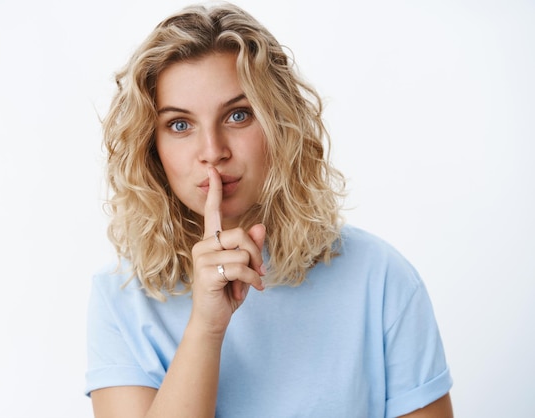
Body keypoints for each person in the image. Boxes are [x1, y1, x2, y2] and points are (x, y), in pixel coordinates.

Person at [85, 3, 453, 417]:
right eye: (180, 125)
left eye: (238, 116)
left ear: (279, 123)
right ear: (151, 148)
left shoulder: (380, 277)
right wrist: (206, 327)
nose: (213, 152)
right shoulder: (122, 297)